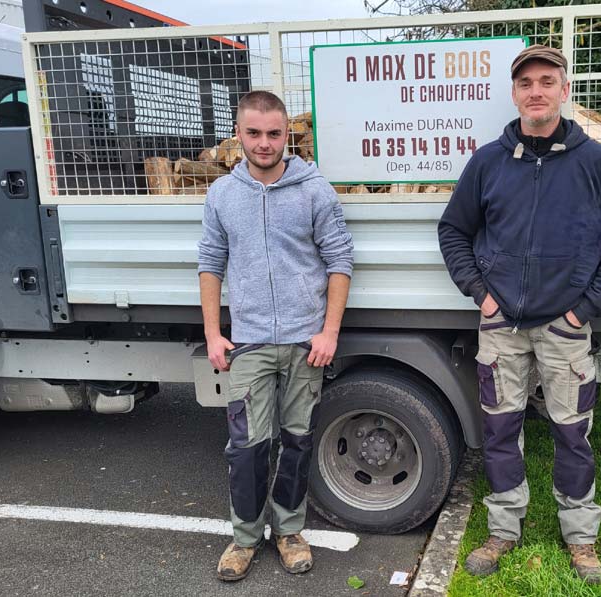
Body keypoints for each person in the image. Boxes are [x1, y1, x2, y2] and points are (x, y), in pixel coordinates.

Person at [437, 44, 601, 585]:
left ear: (564, 90)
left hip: (564, 328)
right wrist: (481, 294)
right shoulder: (488, 162)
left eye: (547, 81)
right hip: (501, 325)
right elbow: (453, 230)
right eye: (526, 82)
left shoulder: (595, 163)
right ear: (514, 93)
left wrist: (583, 311)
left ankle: (580, 535)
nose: (536, 91)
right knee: (500, 428)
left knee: (573, 432)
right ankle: (503, 528)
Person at [198, 90, 354, 582]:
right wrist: (213, 333)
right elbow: (210, 263)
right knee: (246, 448)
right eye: (253, 133)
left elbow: (340, 261)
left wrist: (329, 332)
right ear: (238, 134)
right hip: (248, 343)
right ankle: (244, 538)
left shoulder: (314, 191)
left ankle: (289, 533)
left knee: (298, 442)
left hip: (306, 343)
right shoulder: (223, 195)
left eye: (273, 133)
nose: (263, 143)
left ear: (288, 134)